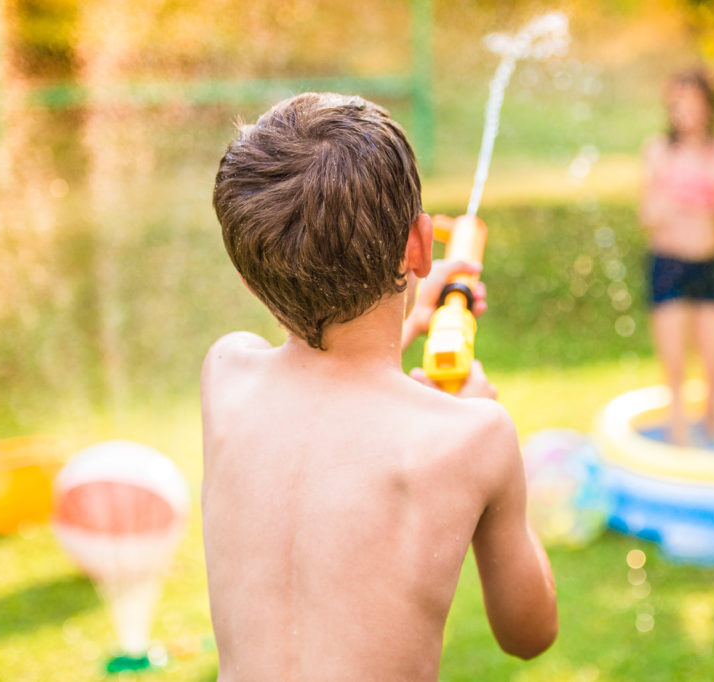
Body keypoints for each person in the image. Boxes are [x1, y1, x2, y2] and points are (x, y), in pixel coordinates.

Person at [204, 92, 558, 681]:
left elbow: (330, 377)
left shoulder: (225, 376)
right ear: (421, 245)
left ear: (247, 275)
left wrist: (409, 316)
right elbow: (529, 633)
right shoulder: (473, 436)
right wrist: (477, 418)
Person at [640, 68, 714, 446]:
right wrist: (669, 193)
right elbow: (647, 218)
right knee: (676, 370)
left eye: (690, 102)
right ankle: (678, 438)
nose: (681, 110)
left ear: (707, 106)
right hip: (669, 265)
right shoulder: (659, 151)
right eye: (675, 103)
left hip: (709, 266)